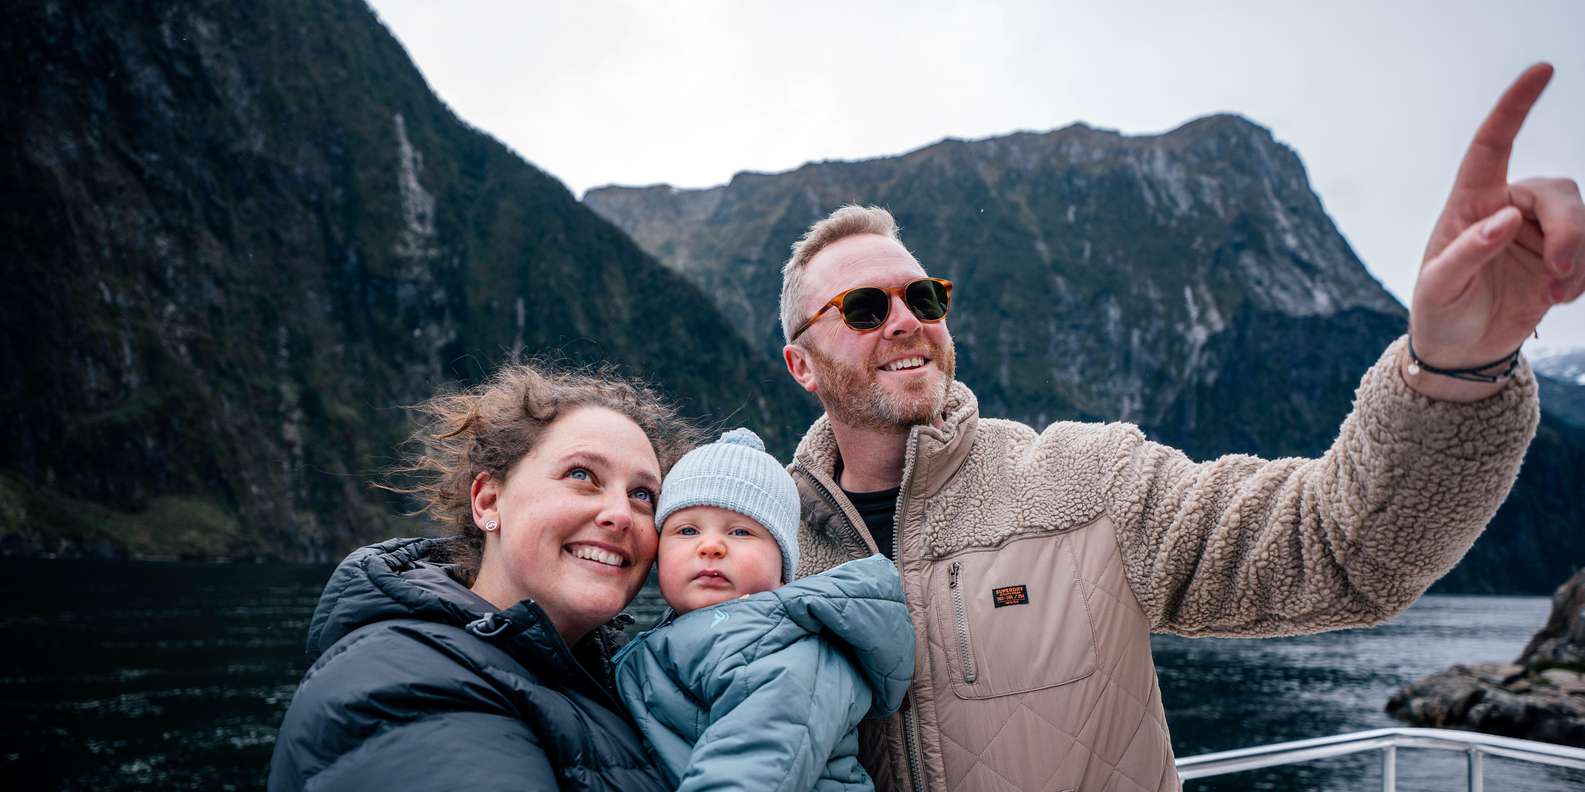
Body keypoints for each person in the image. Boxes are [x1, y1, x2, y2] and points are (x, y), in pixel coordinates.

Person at [775, 64, 1583, 792]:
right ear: (801, 366)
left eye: (923, 298)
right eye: (861, 308)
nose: (905, 322)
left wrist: (1454, 367)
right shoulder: (759, 543)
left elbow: (1339, 548)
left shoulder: (1086, 482)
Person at [268, 362, 698, 792]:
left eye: (642, 495)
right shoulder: (405, 683)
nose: (621, 515)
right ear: (489, 501)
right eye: (581, 475)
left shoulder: (619, 682)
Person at [614, 428, 915, 792]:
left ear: (783, 568)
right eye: (688, 530)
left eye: (740, 532)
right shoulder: (675, 637)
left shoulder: (791, 651)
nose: (711, 546)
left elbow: (754, 768)